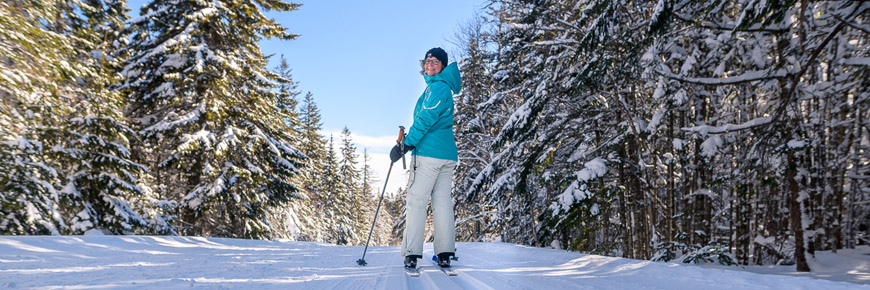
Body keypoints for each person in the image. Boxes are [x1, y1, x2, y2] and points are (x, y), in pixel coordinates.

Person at [390, 47, 461, 269]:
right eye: (427, 61)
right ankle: (444, 253)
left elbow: (426, 117)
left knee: (417, 201)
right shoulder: (441, 88)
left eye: (435, 61)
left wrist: (408, 143)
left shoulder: (438, 88)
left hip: (429, 154)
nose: (429, 64)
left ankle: (412, 253)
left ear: (443, 66)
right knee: (441, 203)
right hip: (446, 156)